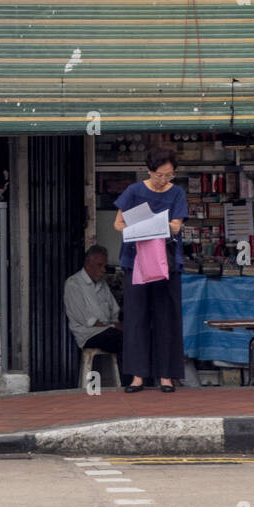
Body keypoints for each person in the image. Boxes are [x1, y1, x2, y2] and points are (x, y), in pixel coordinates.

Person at [113, 146, 187, 392]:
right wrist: (145, 227)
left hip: (166, 262)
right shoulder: (134, 191)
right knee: (136, 319)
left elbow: (176, 227)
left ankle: (166, 376)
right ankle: (138, 376)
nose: (163, 180)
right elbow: (118, 223)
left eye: (168, 175)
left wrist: (151, 224)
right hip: (136, 262)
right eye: (159, 175)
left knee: (166, 318)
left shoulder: (177, 193)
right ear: (149, 171)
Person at [64, 245, 126, 379]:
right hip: (89, 334)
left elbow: (114, 310)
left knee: (136, 338)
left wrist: (114, 324)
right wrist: (113, 326)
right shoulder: (73, 283)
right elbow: (87, 321)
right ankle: (128, 383)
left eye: (104, 266)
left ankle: (140, 381)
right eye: (99, 265)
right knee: (124, 341)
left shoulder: (102, 284)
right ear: (88, 264)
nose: (103, 270)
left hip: (107, 329)